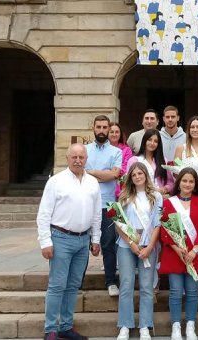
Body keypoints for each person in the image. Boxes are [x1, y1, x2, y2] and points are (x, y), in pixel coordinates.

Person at [36, 143, 101, 340]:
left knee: (73, 285)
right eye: (74, 157)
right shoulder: (56, 182)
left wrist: (95, 239)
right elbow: (43, 214)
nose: (78, 160)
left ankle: (65, 326)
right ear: (67, 158)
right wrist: (45, 241)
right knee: (57, 285)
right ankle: (50, 330)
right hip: (60, 238)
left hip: (83, 240)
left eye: (81, 157)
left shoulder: (92, 183)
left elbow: (97, 213)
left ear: (86, 159)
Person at [159, 168, 198, 340]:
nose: (187, 184)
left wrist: (195, 251)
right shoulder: (169, 203)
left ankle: (190, 325)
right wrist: (177, 248)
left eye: (191, 181)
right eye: (184, 181)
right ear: (179, 182)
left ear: (195, 184)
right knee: (175, 291)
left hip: (194, 254)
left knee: (192, 292)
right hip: (175, 254)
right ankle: (175, 326)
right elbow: (164, 230)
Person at [115, 162, 162, 340]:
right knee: (126, 285)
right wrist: (132, 244)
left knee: (146, 287)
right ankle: (125, 325)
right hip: (127, 246)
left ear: (145, 175)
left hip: (148, 246)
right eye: (133, 175)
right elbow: (119, 224)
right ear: (130, 177)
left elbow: (158, 223)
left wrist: (150, 246)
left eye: (140, 174)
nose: (137, 177)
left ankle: (145, 325)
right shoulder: (124, 196)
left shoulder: (156, 196)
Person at [84, 115, 122, 296]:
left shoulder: (116, 152)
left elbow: (114, 175)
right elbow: (78, 174)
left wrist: (90, 172)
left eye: (104, 127)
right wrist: (103, 174)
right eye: (98, 127)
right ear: (93, 127)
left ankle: (111, 281)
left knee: (108, 244)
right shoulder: (84, 150)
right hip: (85, 203)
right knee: (83, 243)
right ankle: (77, 281)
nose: (101, 130)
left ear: (109, 129)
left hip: (108, 204)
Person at [127, 129, 174, 198]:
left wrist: (164, 189)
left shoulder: (163, 160)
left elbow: (170, 182)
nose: (152, 143)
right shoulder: (134, 160)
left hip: (160, 198)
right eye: (149, 140)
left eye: (155, 141)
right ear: (144, 141)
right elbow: (128, 182)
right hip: (139, 198)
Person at [109, 122, 134, 199]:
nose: (114, 134)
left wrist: (106, 172)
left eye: (117, 132)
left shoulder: (127, 150)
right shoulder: (102, 149)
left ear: (120, 134)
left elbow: (125, 169)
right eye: (111, 132)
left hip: (121, 190)